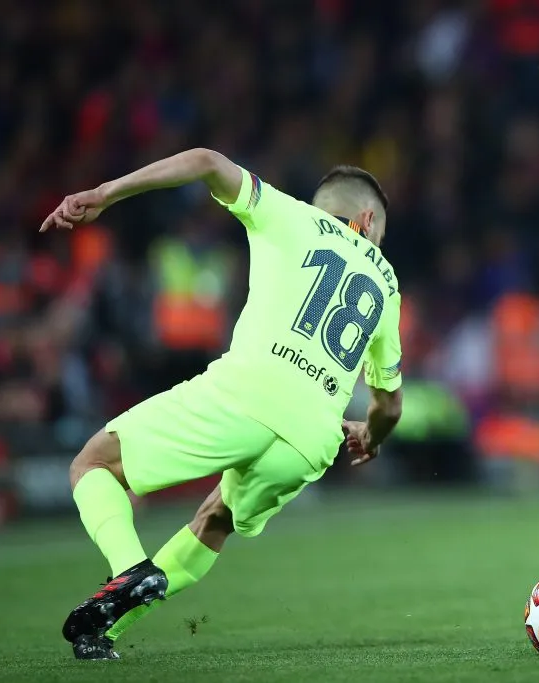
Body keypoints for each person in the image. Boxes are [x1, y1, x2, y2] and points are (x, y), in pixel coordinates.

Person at [41, 149, 404, 660]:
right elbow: (390, 406)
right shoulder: (387, 284)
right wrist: (369, 435)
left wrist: (105, 193)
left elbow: (207, 161)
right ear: (367, 219)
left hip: (245, 396)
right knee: (214, 521)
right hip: (311, 441)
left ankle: (128, 567)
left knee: (92, 464)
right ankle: (103, 632)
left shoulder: (288, 213)